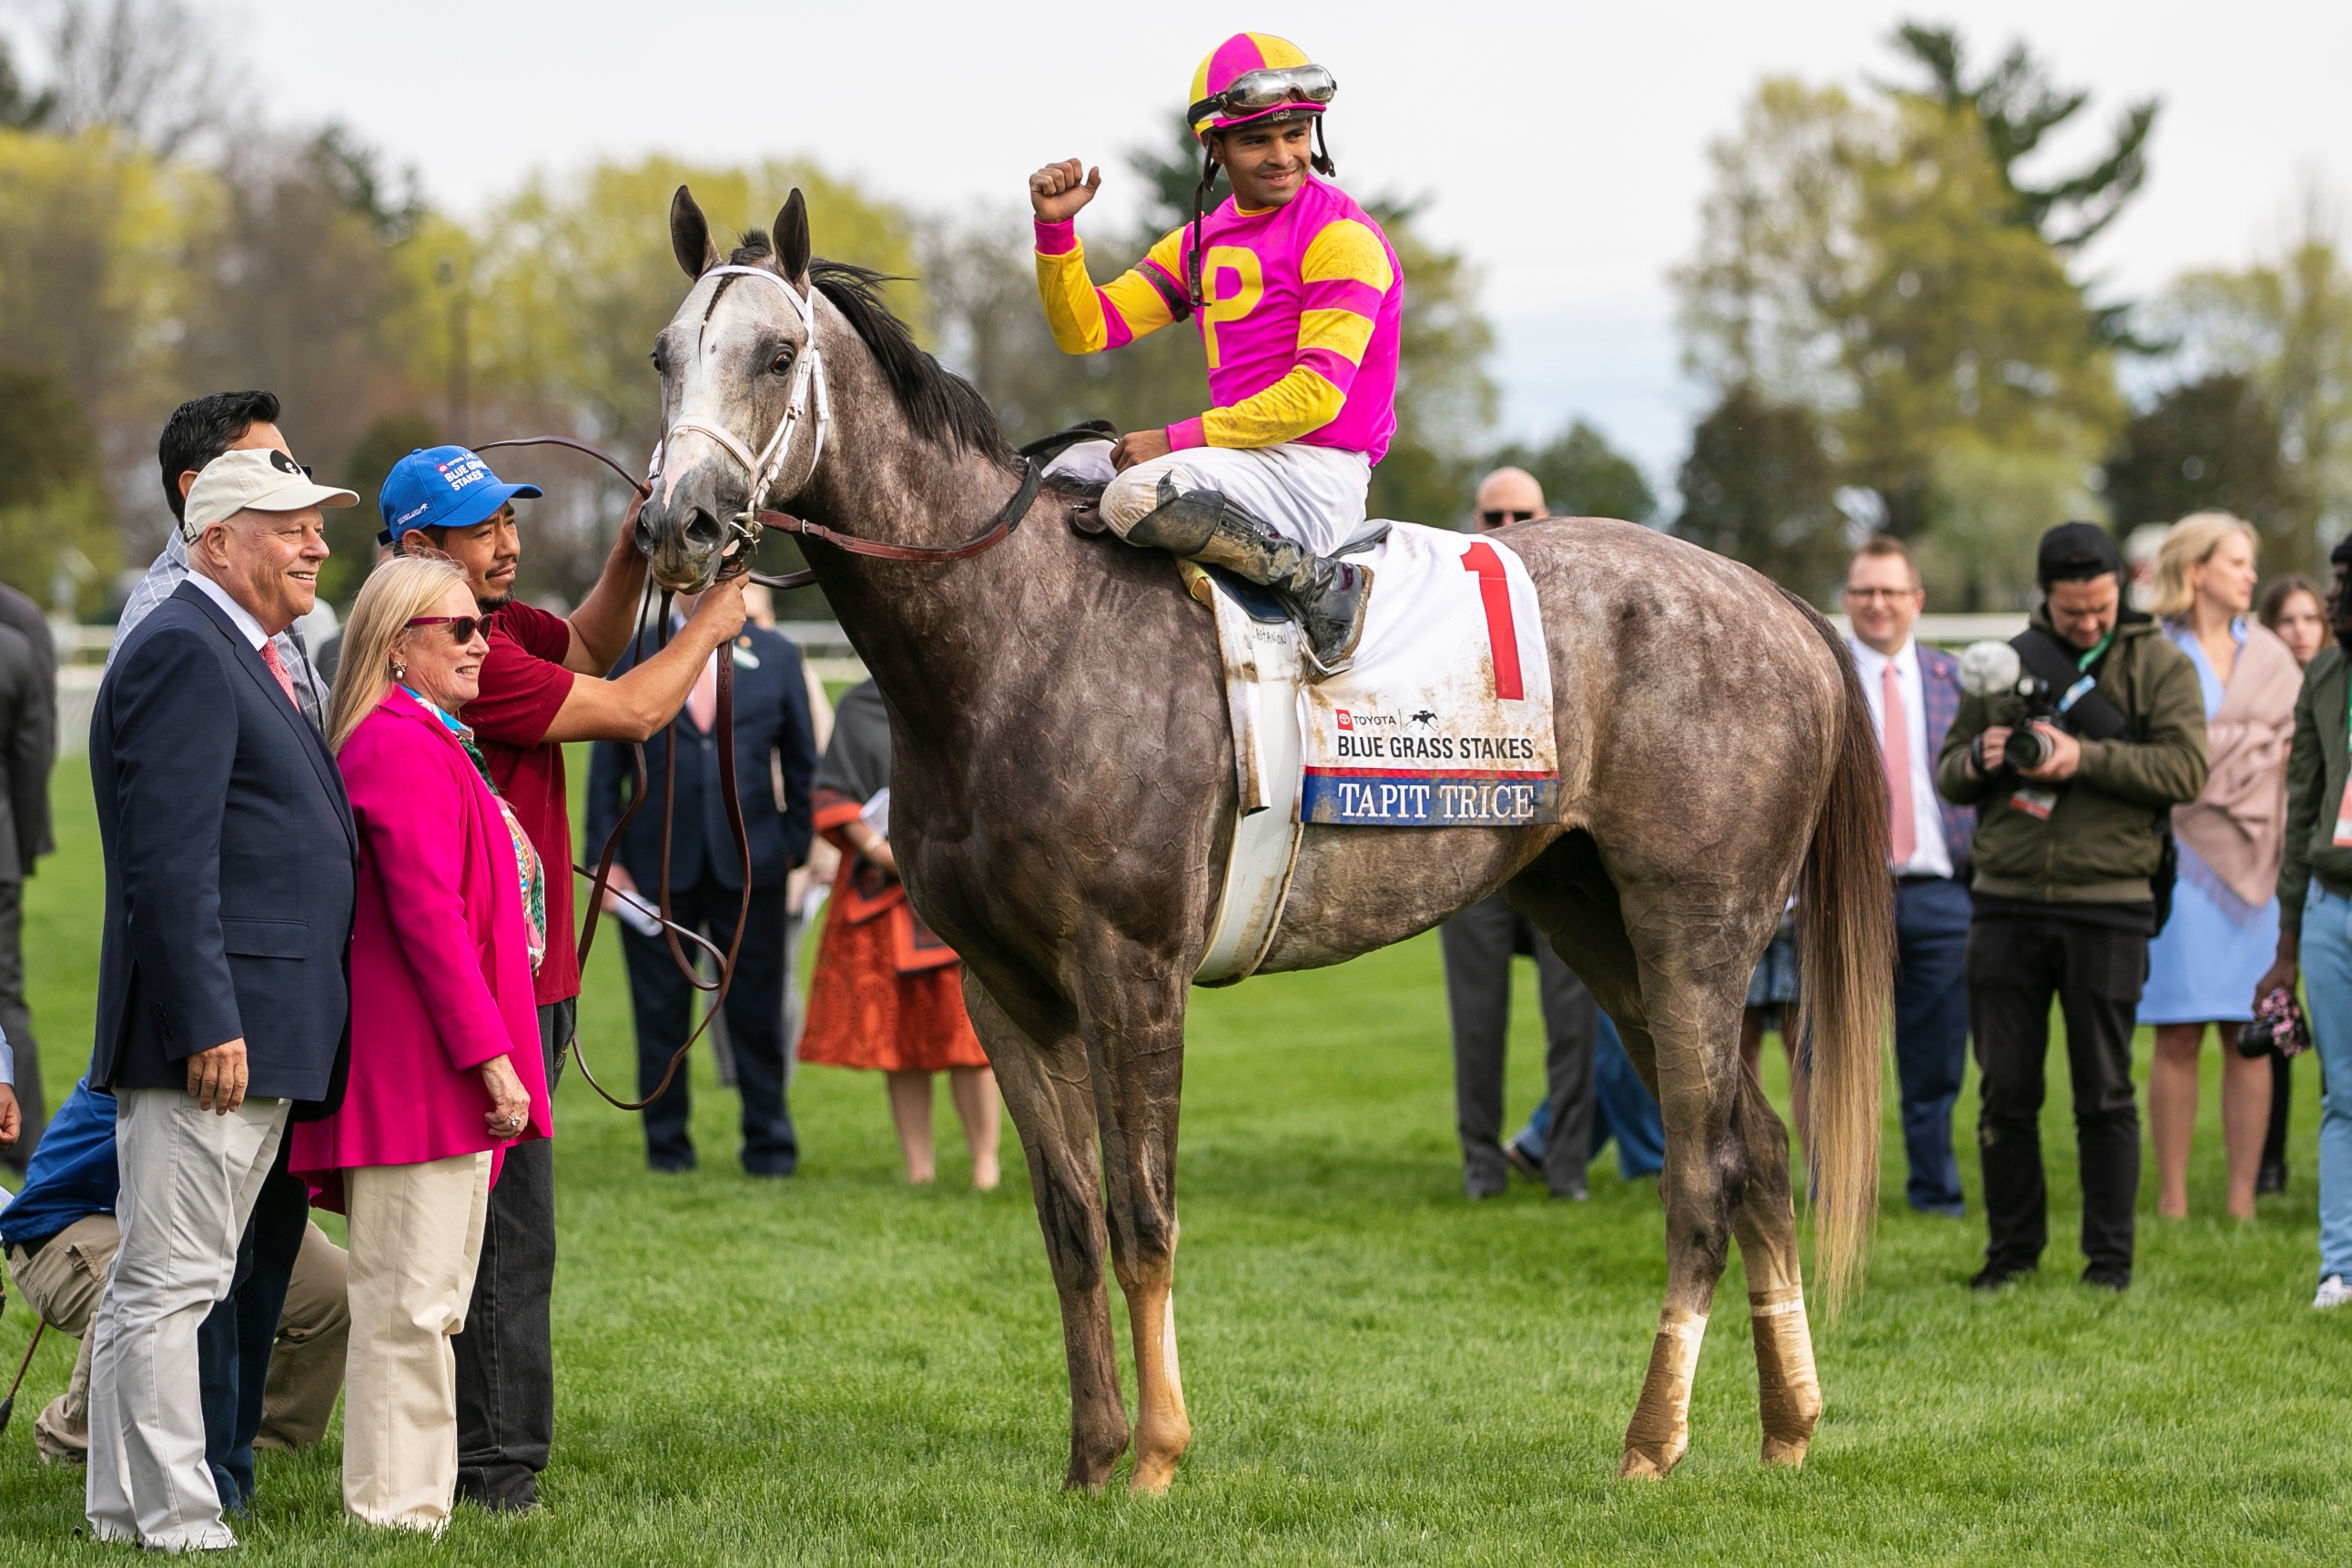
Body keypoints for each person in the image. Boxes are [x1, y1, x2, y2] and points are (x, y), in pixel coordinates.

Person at [375, 443, 744, 1512]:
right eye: (482, 528)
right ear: (415, 549)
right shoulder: (447, 651)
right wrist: (711, 624)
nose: (509, 542)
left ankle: (463, 1450)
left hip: (526, 976)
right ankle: (497, 1474)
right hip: (490, 986)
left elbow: (585, 641)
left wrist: (633, 549)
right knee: (503, 1237)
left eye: (509, 520)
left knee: (485, 1231)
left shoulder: (493, 628)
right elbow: (627, 707)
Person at [85, 445, 360, 1550]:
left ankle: (120, 1510)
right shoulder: (187, 650)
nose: (317, 543)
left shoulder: (249, 647)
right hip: (213, 1038)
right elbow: (167, 861)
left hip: (256, 1029)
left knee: (162, 1282)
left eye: (316, 523)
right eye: (290, 524)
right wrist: (209, 1020)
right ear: (217, 542)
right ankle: (177, 1517)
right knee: (173, 1285)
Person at [288, 556, 551, 1532]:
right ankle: (394, 1510)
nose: (483, 641)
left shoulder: (433, 736)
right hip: (421, 1073)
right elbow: (430, 919)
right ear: (401, 645)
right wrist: (492, 1061)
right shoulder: (395, 744)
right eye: (462, 629)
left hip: (442, 1070)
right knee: (408, 1305)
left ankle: (417, 1502)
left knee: (430, 1301)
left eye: (482, 625)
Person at [1029, 32, 1401, 675]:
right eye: (1257, 139)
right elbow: (1089, 329)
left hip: (1316, 470)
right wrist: (1056, 232)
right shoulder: (1202, 240)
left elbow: (1317, 394)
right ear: (1215, 146)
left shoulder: (1343, 238)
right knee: (1057, 470)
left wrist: (1174, 439)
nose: (1283, 155)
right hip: (1237, 459)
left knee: (1133, 495)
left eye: (1296, 134)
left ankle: (1321, 585)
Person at [1937, 521, 2206, 1293]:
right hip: (2004, 901)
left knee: (2105, 1089)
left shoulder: (2159, 663)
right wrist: (1982, 756)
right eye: (2070, 609)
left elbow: (2187, 768)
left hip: (2111, 901)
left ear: (2122, 588)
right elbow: (1949, 771)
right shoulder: (2005, 663)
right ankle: (2011, 1256)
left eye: (2100, 606)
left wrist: (2082, 755)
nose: (2087, 621)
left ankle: (2109, 1266)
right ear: (2044, 596)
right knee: (2006, 1089)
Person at [2, 1077, 350, 1467]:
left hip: (219, 1213)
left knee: (336, 1291)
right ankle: (72, 1438)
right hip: (68, 1222)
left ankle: (265, 1436)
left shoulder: (285, 1055)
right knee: (146, 1289)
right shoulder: (167, 1044)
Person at [585, 590, 816, 1175]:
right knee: (659, 1015)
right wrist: (604, 861)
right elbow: (604, 770)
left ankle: (769, 1147)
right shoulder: (638, 653)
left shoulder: (779, 656)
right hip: (656, 870)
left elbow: (802, 763)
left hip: (751, 870)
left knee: (757, 1016)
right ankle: (668, 1151)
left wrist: (791, 846)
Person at [1440, 468, 1600, 1199]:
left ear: (1549, 515)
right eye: (1495, 514)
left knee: (1575, 1025)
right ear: (1476, 522)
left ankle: (1565, 1169)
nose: (1509, 527)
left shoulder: (1584, 615)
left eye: (1523, 513)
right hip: (1471, 844)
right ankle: (1482, 1170)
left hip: (1560, 843)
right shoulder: (1439, 613)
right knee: (1477, 1021)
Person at [2139, 515, 2300, 1220]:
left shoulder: (2272, 653)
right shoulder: (2153, 649)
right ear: (2196, 569)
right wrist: (2242, 745)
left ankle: (2242, 1202)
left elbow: (2293, 747)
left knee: (2250, 1034)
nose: (2250, 575)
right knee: (2176, 1034)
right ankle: (2171, 1201)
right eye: (2237, 561)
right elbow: (2153, 748)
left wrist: (2212, 748)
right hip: (2178, 868)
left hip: (2257, 869)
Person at [799, 682, 1001, 1188]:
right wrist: (875, 849)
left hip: (958, 894)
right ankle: (919, 1172)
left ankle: (985, 1167)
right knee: (899, 1041)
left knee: (969, 1039)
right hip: (880, 900)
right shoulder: (858, 705)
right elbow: (833, 791)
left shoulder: (966, 691)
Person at [1842, 535, 1977, 1217]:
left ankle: (1936, 1191)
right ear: (1847, 600)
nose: (1878, 604)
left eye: (1891, 591)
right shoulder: (1823, 680)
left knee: (1935, 1061)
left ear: (1916, 601)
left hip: (1940, 893)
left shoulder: (1956, 682)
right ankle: (1843, 1198)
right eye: (1866, 590)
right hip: (1850, 897)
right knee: (1841, 1058)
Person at [111, 391, 331, 727]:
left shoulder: (258, 586)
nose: (288, 481)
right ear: (196, 488)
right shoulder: (170, 632)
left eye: (291, 470)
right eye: (262, 468)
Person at [2260, 539, 2352, 1307]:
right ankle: (2340, 1267)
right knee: (2342, 1093)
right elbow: (2300, 813)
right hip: (2330, 909)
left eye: (2347, 585)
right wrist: (2285, 945)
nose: (2333, 599)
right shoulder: (2323, 674)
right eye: (2336, 583)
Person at [2255, 572, 2327, 1195]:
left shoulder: (2336, 687)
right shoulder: (2259, 693)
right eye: (2288, 621)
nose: (2300, 631)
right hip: (2265, 876)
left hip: (2324, 871)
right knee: (2279, 1014)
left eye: (2310, 618)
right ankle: (2269, 1156)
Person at [0, 578, 54, 1169]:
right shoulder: (15, 644)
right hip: (1, 852)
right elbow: (33, 755)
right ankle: (26, 1146)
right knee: (6, 998)